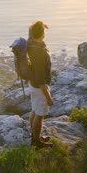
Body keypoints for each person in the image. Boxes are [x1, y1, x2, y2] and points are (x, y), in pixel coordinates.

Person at [27, 20, 54, 148]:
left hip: (32, 84)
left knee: (35, 110)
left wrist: (39, 25)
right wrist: (48, 96)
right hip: (39, 87)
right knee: (39, 115)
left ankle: (35, 136)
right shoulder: (39, 53)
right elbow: (40, 78)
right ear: (42, 33)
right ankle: (36, 143)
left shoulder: (31, 44)